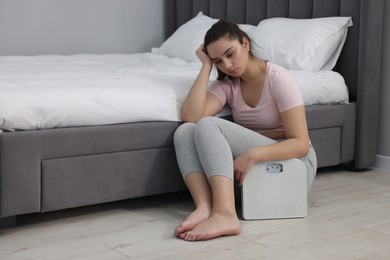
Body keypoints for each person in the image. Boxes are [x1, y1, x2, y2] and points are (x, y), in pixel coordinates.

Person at [173, 19, 317, 242]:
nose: (227, 65)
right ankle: (205, 207)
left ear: (245, 44)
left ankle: (226, 215)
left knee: (209, 124)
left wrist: (252, 153)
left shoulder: (279, 79)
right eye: (218, 61)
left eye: (230, 54)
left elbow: (300, 144)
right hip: (255, 171)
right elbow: (190, 116)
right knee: (185, 131)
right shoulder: (229, 84)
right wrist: (205, 67)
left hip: (295, 166)